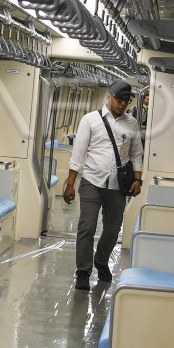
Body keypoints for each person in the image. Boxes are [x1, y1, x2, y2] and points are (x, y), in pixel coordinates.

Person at [63, 80, 145, 290]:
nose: (123, 104)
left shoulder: (132, 124)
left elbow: (136, 154)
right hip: (91, 181)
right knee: (87, 227)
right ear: (109, 97)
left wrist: (137, 179)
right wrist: (70, 184)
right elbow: (78, 154)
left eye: (126, 101)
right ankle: (83, 271)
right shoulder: (89, 120)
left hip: (118, 186)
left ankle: (101, 261)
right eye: (119, 100)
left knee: (112, 230)